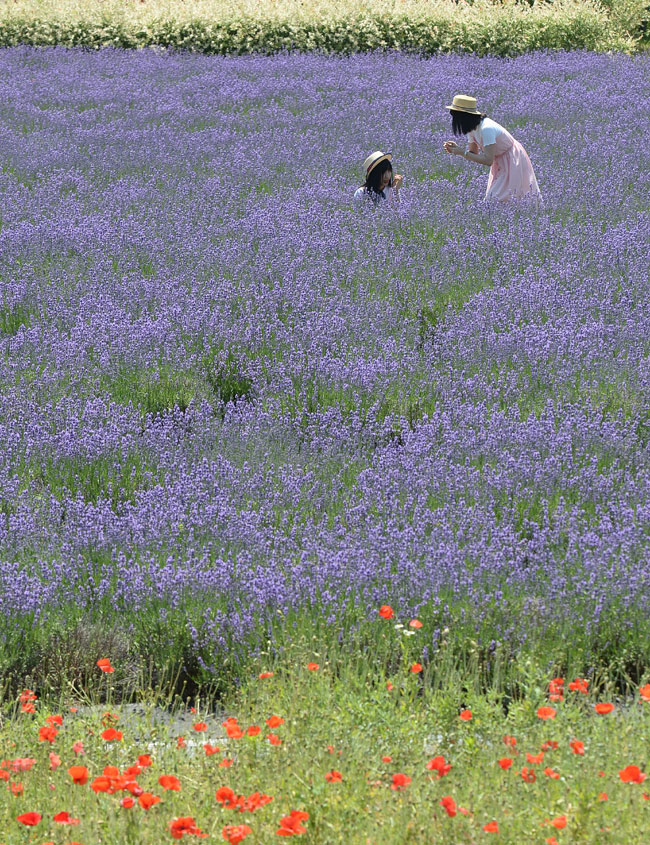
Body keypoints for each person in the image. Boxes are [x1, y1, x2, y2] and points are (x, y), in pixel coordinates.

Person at [443, 95, 541, 203]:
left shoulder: (487, 129)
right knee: (499, 199)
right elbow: (473, 152)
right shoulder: (471, 129)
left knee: (503, 198)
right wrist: (457, 149)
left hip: (512, 159)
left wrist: (461, 152)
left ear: (463, 116)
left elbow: (488, 160)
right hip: (499, 161)